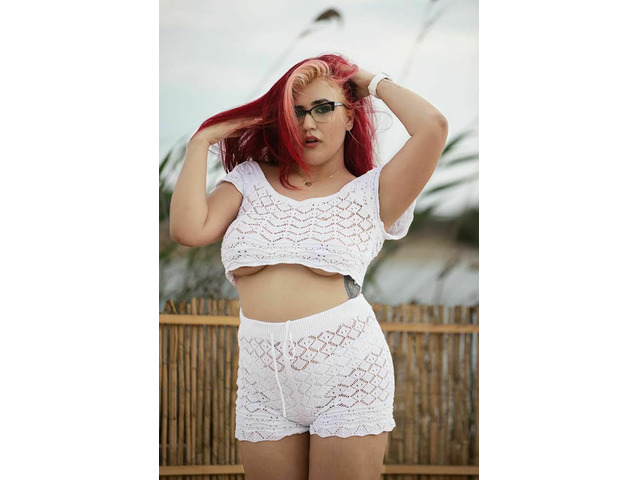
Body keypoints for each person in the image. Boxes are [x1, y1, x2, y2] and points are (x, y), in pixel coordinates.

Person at [169, 53, 448, 480]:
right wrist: (202, 140)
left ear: (350, 116)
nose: (308, 123)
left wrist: (363, 79)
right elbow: (188, 229)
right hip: (262, 383)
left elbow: (433, 126)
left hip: (348, 373)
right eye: (296, 112)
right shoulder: (250, 179)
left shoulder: (374, 192)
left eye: (323, 108)